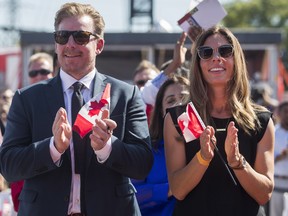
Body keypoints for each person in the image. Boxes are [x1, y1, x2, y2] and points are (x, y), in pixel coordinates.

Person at [0, 2, 153, 216]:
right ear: (56, 44)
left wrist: (107, 147)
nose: (70, 44)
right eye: (62, 36)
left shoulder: (126, 95)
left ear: (99, 45)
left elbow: (143, 163)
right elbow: (8, 165)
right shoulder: (27, 99)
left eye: (80, 37)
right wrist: (53, 148)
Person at [163, 26, 275, 216]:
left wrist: (238, 163)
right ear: (198, 63)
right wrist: (203, 158)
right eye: (206, 53)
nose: (216, 58)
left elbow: (264, 194)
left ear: (236, 59)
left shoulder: (261, 120)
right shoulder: (180, 117)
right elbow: (179, 190)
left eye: (225, 51)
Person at [133, 75, 189, 216]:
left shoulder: (209, 146)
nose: (178, 105)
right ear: (160, 111)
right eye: (170, 101)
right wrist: (172, 188)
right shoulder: (145, 150)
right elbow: (131, 196)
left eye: (184, 99)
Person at [10, 51, 55, 212]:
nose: (39, 76)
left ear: (53, 72)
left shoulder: (66, 100)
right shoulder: (20, 104)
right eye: (33, 72)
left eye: (44, 71)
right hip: (29, 190)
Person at [269, 93, 288, 216]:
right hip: (277, 185)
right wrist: (282, 155)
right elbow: (268, 159)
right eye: (285, 111)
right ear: (279, 113)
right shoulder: (273, 132)